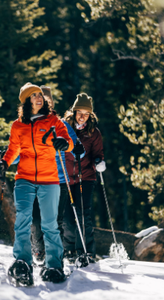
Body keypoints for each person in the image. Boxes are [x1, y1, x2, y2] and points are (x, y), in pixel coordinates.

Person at [0, 83, 74, 285]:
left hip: (49, 179)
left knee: (50, 224)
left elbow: (68, 140)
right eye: (34, 95)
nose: (39, 98)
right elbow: (12, 150)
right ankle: (22, 262)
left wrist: (64, 143)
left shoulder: (53, 120)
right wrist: (3, 163)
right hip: (24, 178)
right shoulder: (18, 125)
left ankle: (54, 265)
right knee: (23, 221)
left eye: (40, 95)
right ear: (26, 101)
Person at [29, 86, 82, 266]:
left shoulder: (62, 124)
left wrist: (74, 147)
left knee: (55, 221)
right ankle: (38, 250)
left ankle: (54, 256)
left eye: (48, 102)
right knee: (36, 218)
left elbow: (76, 148)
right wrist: (6, 160)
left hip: (59, 180)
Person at [60, 93, 105, 264]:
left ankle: (86, 251)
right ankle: (69, 250)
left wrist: (99, 162)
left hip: (85, 177)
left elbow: (97, 154)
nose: (82, 116)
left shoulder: (94, 133)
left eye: (86, 113)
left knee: (83, 215)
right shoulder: (64, 128)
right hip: (65, 178)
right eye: (80, 112)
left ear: (90, 115)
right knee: (67, 217)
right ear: (74, 111)